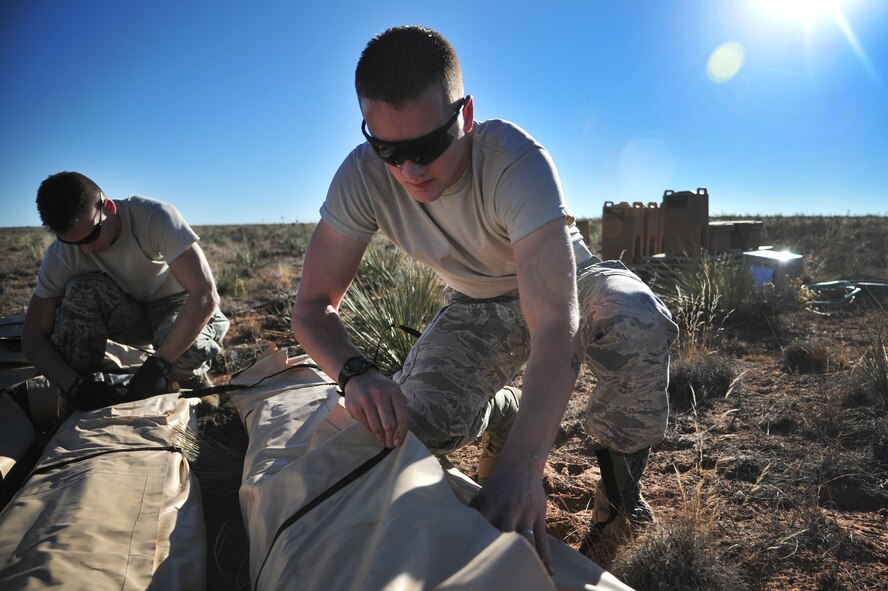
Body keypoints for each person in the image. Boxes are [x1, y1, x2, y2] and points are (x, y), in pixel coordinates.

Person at [290, 25, 677, 570]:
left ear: (465, 115)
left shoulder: (513, 160)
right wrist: (355, 372)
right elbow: (310, 307)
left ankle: (618, 506)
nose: (411, 170)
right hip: (477, 302)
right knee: (409, 429)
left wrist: (523, 465)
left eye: (427, 146)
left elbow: (553, 323)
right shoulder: (360, 177)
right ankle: (502, 408)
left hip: (566, 283)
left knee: (633, 318)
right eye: (388, 150)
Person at [22, 171, 229, 411]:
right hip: (127, 313)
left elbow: (205, 294)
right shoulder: (62, 255)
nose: (87, 249)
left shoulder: (154, 217)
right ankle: (88, 389)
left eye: (92, 235)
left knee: (187, 350)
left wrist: (159, 365)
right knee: (79, 292)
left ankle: (189, 378)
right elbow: (32, 335)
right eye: (74, 243)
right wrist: (74, 386)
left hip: (175, 306)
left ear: (108, 207)